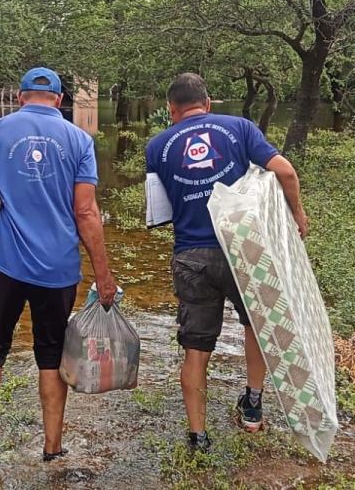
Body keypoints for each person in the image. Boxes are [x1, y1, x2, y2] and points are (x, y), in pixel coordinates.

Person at [0, 67, 118, 483]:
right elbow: (86, 212)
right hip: (57, 268)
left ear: (20, 97)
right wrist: (103, 275)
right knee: (51, 355)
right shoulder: (79, 140)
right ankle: (52, 449)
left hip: (2, 263)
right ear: (59, 100)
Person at [145, 72, 308, 453]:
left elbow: (159, 212)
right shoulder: (239, 127)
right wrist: (297, 213)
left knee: (196, 348)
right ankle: (252, 405)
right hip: (243, 250)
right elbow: (285, 171)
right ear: (207, 102)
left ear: (171, 109)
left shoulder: (157, 146)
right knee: (256, 325)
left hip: (191, 255)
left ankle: (198, 437)